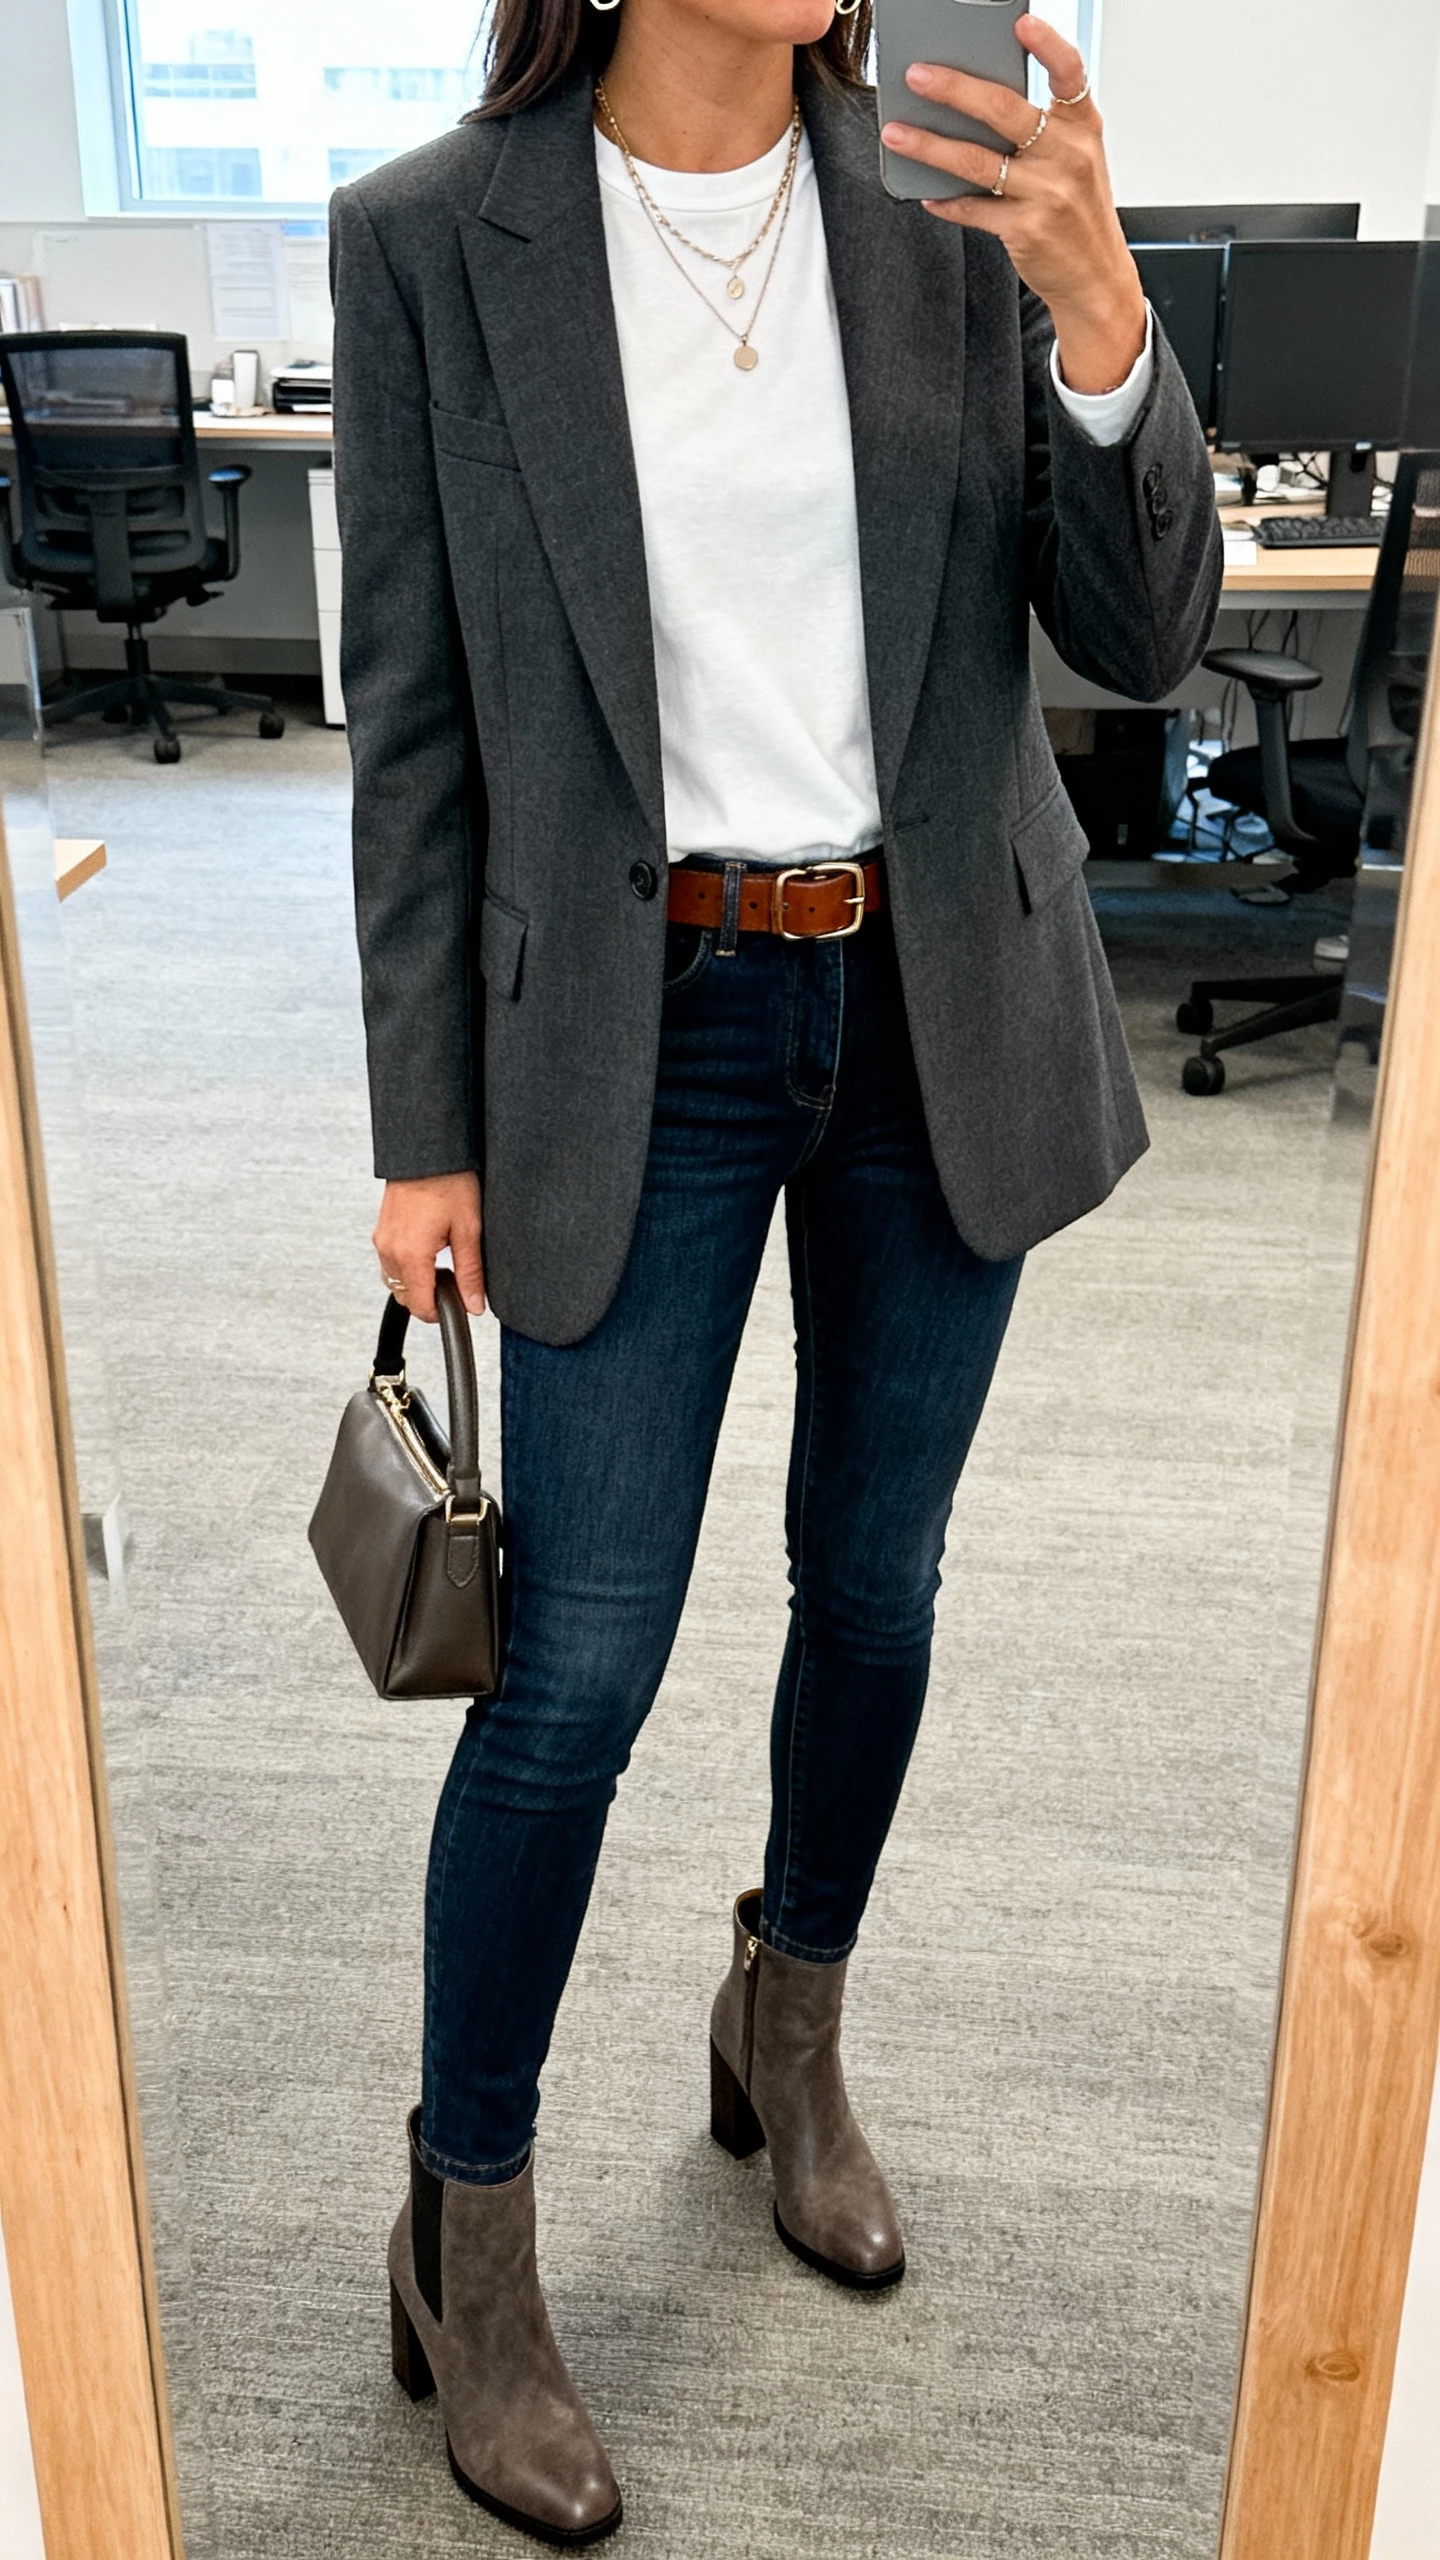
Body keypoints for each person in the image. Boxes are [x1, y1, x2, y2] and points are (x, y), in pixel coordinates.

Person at [329, 0, 1220, 2532]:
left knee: (881, 1583)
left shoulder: (953, 189)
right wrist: (422, 1126)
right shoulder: (428, 241)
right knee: (576, 1659)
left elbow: (1142, 639)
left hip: (941, 999)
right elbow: (409, 720)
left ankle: (787, 2016)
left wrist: (1099, 317)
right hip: (638, 1027)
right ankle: (465, 2225)